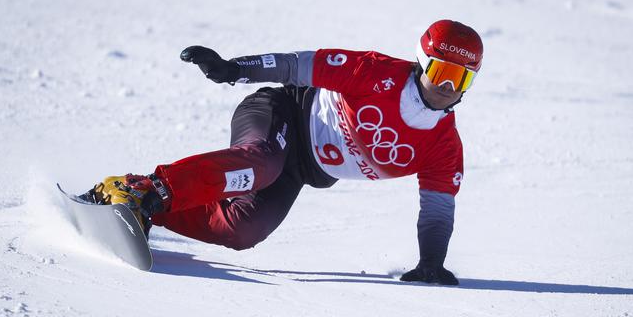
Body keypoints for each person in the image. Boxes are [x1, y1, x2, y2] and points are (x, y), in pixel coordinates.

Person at [82, 20, 484, 285]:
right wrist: (235, 69)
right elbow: (296, 66)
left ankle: (143, 208)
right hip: (281, 114)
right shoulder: (376, 73)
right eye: (440, 72)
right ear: (421, 63)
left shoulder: (443, 147)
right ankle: (143, 188)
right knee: (260, 163)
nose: (447, 87)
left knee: (243, 230)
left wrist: (431, 261)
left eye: (460, 78)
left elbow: (437, 208)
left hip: (300, 169)